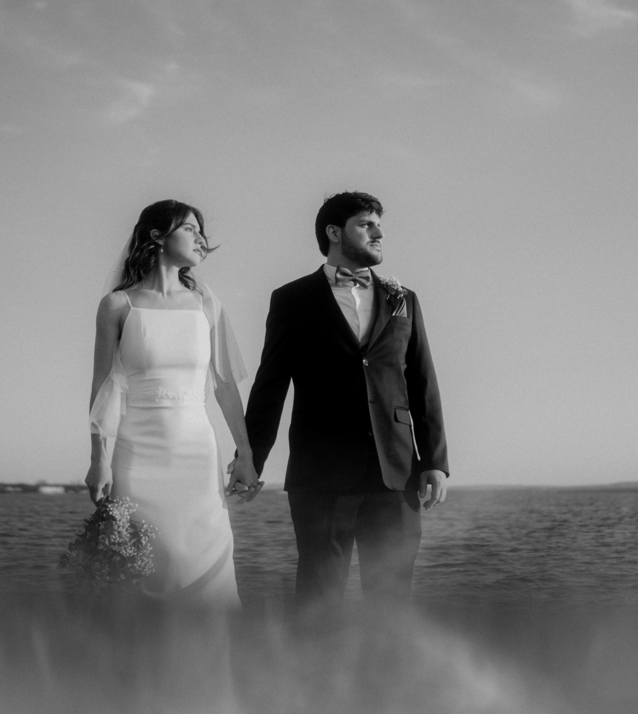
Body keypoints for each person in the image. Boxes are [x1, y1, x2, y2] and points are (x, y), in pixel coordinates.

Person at [244, 191, 449, 613]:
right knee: (319, 596)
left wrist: (435, 460)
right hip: (321, 474)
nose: (379, 232)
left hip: (396, 472)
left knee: (392, 597)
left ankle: (386, 679)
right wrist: (251, 458)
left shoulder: (403, 299)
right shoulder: (292, 299)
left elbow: (422, 380)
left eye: (379, 224)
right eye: (366, 224)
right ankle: (313, 678)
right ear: (334, 232)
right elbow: (270, 384)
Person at [88, 200, 262, 608]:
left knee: (203, 557)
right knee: (147, 562)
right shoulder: (117, 306)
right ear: (156, 236)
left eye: (202, 232)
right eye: (190, 229)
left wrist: (247, 454)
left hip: (196, 452)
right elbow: (102, 389)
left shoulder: (205, 305)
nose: (201, 239)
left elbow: (224, 387)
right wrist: (98, 458)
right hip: (136, 451)